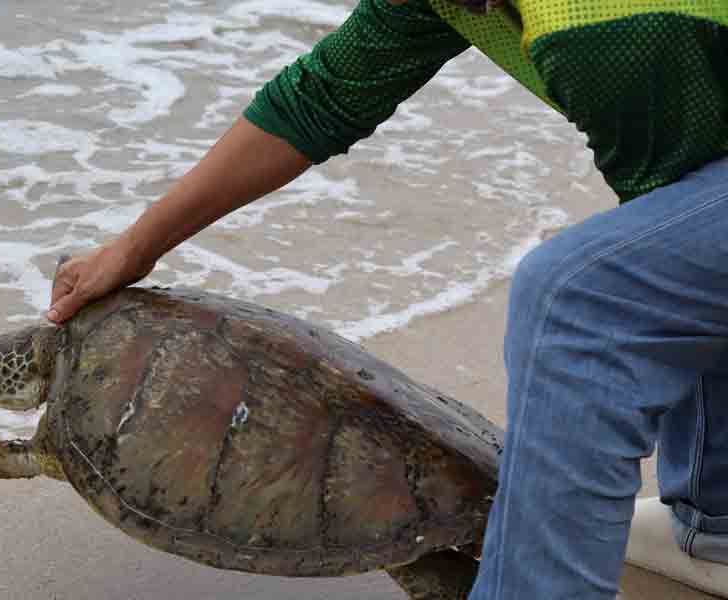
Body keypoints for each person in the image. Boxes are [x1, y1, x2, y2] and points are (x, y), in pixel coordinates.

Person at [45, 1, 728, 598]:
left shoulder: (610, 21)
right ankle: (715, 526)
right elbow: (319, 98)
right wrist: (136, 245)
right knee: (659, 247)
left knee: (578, 299)